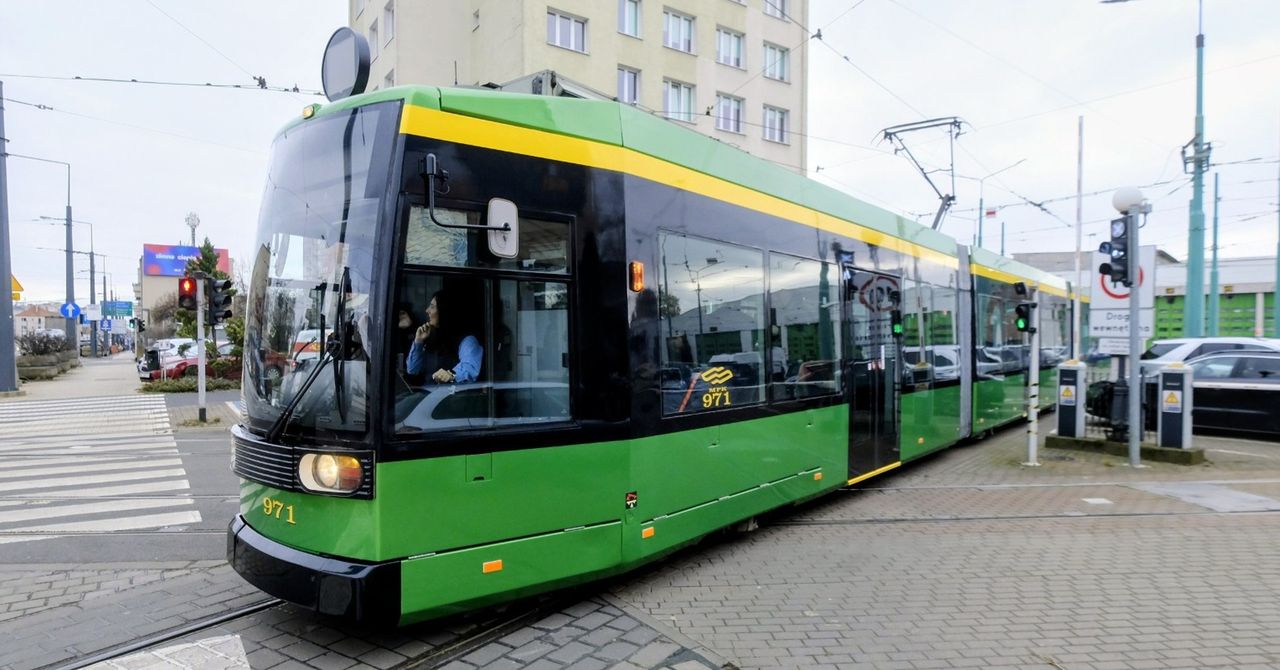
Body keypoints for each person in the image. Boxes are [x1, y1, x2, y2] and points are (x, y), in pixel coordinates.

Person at [406, 290, 482, 384]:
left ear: (444, 310)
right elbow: (412, 370)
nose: (427, 311)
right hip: (427, 395)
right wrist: (418, 341)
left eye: (432, 306)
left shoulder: (467, 340)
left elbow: (469, 368)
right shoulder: (430, 336)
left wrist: (451, 375)